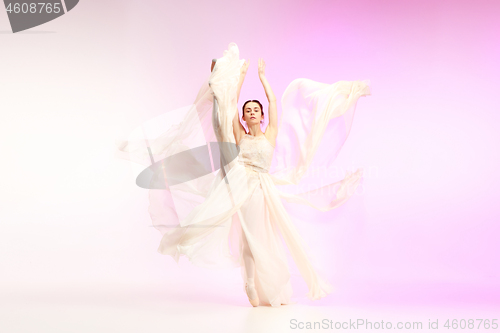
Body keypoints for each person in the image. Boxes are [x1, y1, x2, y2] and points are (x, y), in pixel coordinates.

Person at [115, 42, 371, 307]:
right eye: (248, 110)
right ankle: (249, 283)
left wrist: (262, 79)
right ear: (244, 116)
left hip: (264, 189)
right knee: (250, 235)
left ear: (260, 116)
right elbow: (232, 105)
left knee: (268, 237)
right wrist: (240, 79)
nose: (251, 112)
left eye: (255, 110)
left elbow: (272, 102)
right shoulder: (240, 134)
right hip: (243, 186)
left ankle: (271, 288)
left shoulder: (271, 132)